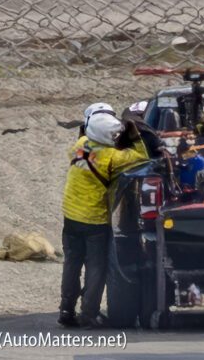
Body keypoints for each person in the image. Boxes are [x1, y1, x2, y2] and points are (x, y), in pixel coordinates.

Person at [59, 110, 148, 328]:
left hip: (70, 217)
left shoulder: (78, 147)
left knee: (72, 264)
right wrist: (134, 136)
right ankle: (89, 314)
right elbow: (142, 158)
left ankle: (66, 310)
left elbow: (89, 144)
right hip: (94, 221)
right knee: (96, 268)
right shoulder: (113, 159)